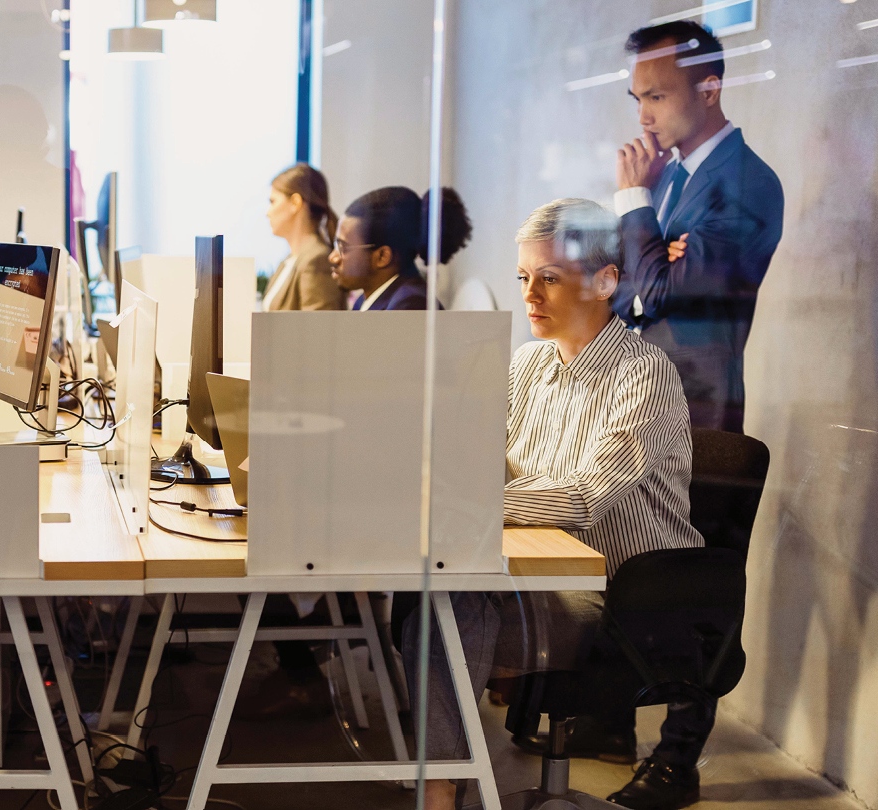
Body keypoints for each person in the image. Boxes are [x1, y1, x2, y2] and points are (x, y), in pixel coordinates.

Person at [401, 199, 704, 810]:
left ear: (605, 281)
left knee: (445, 607)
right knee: (434, 594)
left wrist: (476, 498)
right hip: (539, 574)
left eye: (549, 278)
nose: (530, 295)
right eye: (523, 279)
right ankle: (443, 784)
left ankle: (440, 791)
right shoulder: (530, 363)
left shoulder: (642, 374)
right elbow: (488, 457)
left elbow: (587, 498)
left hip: (622, 602)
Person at [613, 20, 783, 433]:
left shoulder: (747, 182)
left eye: (656, 96)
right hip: (636, 404)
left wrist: (635, 198)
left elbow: (660, 294)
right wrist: (654, 264)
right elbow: (614, 287)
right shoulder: (666, 175)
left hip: (696, 416)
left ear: (708, 90)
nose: (643, 117)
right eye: (637, 99)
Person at [329, 186, 471, 310]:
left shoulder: (410, 307)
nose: (333, 257)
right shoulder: (365, 300)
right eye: (336, 244)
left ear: (382, 256)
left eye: (343, 247)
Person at [261, 163, 345, 311]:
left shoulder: (316, 260)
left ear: (295, 203)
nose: (268, 212)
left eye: (273, 202)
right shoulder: (288, 261)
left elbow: (316, 330)